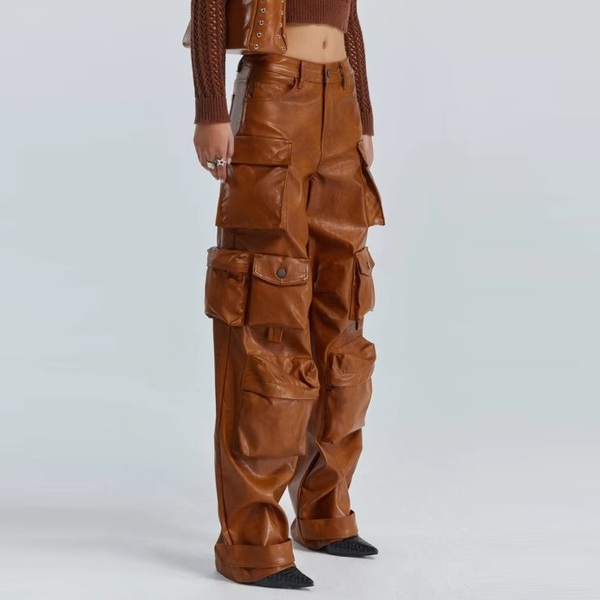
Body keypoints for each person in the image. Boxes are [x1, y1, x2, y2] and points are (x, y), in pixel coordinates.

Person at [189, 0, 385, 589]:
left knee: (343, 307)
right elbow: (208, 8)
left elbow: (350, 18)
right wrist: (210, 109)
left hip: (340, 99)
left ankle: (325, 510)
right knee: (267, 308)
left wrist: (364, 115)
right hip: (272, 96)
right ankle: (252, 540)